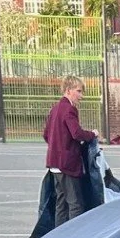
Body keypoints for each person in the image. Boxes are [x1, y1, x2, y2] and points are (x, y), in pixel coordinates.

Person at [42, 75, 99, 225]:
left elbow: (46, 134)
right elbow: (77, 133)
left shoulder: (55, 109)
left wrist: (57, 146)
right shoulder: (69, 109)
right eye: (79, 91)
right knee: (75, 204)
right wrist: (92, 134)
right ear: (68, 90)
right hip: (67, 164)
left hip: (54, 163)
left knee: (61, 203)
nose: (81, 96)